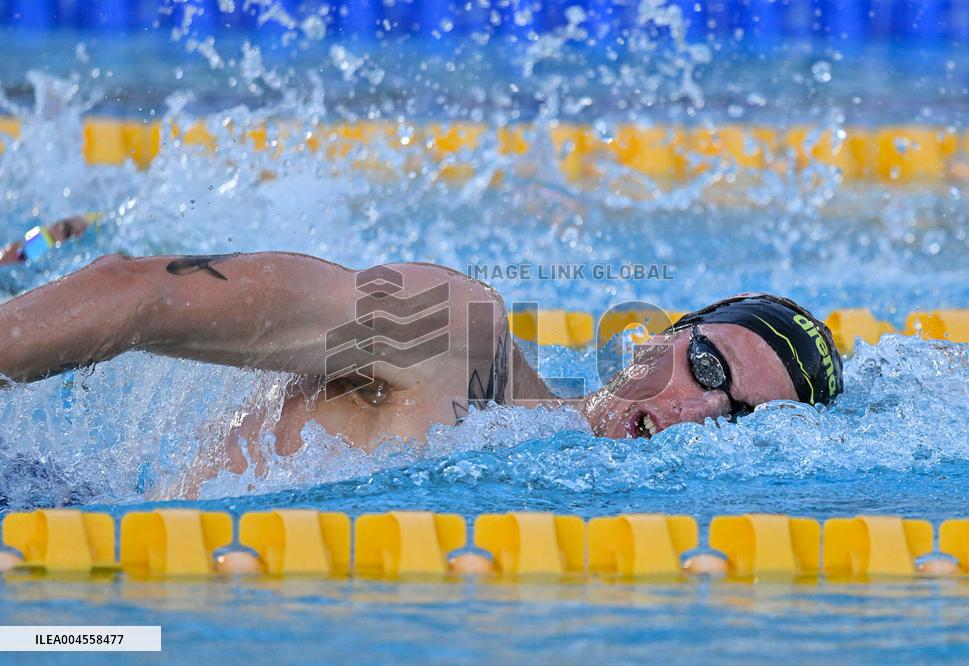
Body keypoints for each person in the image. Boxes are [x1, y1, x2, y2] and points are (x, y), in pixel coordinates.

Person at [0, 252, 843, 495]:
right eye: (706, 365)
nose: (698, 411)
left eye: (740, 417)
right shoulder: (454, 338)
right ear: (651, 338)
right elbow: (140, 292)